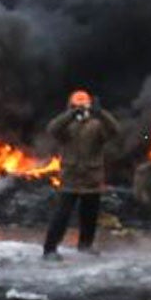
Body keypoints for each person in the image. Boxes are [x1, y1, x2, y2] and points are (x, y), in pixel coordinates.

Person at [42, 88, 123, 256]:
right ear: (71, 104)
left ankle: (85, 246)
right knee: (61, 215)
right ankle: (50, 249)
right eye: (77, 100)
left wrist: (102, 114)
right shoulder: (66, 124)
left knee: (89, 216)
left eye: (84, 100)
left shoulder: (97, 124)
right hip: (70, 177)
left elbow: (115, 131)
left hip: (91, 177)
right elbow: (52, 129)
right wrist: (70, 114)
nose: (81, 103)